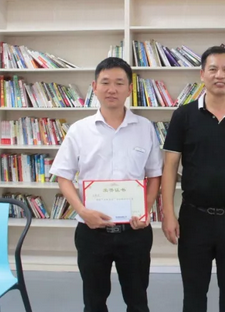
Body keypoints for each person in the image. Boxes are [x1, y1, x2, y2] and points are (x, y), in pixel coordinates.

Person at [49, 57, 163, 312]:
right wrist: (82, 211)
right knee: (94, 301)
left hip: (134, 231)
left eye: (119, 83)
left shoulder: (145, 128)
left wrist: (145, 210)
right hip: (91, 231)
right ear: (94, 87)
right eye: (106, 82)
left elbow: (154, 174)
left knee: (137, 300)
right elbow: (63, 177)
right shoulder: (79, 130)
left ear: (129, 89)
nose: (112, 89)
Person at [160, 46, 225, 312]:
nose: (220, 75)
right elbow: (170, 166)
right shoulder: (183, 115)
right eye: (213, 69)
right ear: (202, 74)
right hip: (194, 219)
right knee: (194, 296)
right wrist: (168, 213)